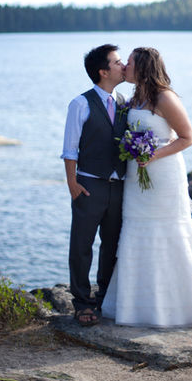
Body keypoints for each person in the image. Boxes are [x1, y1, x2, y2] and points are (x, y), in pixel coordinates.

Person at [102, 47, 192, 327]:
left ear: (144, 67)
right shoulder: (134, 98)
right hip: (136, 180)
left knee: (168, 231)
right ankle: (138, 307)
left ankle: (181, 307)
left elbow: (187, 138)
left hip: (163, 176)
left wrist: (152, 155)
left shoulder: (165, 97)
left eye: (130, 62)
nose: (125, 66)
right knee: (137, 229)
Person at [62, 44, 128, 326]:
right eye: (117, 62)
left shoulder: (125, 101)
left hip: (119, 187)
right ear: (103, 71)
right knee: (82, 246)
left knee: (112, 246)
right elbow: (70, 149)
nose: (123, 65)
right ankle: (81, 302)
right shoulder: (80, 103)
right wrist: (72, 184)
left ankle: (104, 300)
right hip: (89, 185)